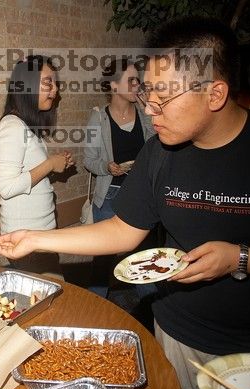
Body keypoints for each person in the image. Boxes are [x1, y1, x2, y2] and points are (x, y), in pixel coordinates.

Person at [0, 18, 250, 389]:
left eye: (163, 98)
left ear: (215, 94)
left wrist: (240, 259)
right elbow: (121, 230)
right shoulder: (159, 153)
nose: (150, 111)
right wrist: (33, 239)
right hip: (175, 335)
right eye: (147, 95)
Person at [0, 55, 74, 279]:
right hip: (26, 238)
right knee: (53, 298)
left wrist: (57, 166)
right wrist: (49, 164)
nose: (55, 90)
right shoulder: (12, 126)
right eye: (48, 82)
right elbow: (7, 187)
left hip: (37, 235)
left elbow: (28, 175)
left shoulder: (24, 125)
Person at [83, 58, 157, 299]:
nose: (138, 85)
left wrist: (151, 109)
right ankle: (94, 310)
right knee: (102, 260)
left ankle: (150, 314)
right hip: (110, 196)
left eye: (139, 80)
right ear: (114, 86)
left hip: (140, 195)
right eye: (132, 80)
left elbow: (160, 146)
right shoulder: (98, 118)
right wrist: (107, 166)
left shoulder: (144, 115)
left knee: (144, 259)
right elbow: (88, 160)